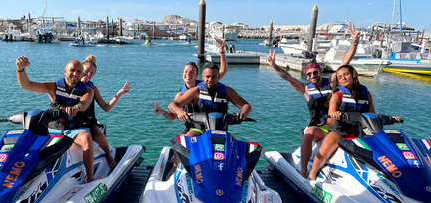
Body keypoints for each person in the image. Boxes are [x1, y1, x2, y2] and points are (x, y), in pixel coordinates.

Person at [267, 25, 361, 177]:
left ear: (320, 72)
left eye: (315, 73)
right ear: (307, 76)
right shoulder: (306, 89)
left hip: (335, 126)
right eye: (309, 74)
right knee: (308, 132)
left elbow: (344, 64)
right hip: (319, 129)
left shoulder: (331, 83)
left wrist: (354, 43)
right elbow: (287, 77)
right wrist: (274, 66)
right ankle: (304, 171)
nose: (312, 76)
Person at [307, 64, 400, 180]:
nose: (343, 78)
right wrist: (335, 116)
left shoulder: (366, 94)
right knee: (327, 146)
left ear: (353, 75)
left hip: (362, 130)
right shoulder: (337, 96)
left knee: (384, 143)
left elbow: (372, 115)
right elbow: (330, 120)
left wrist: (389, 120)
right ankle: (313, 172)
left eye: (346, 74)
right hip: (341, 130)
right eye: (340, 77)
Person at [15, 56, 99, 183]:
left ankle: (90, 177)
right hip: (54, 129)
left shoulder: (88, 90)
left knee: (87, 138)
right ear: (65, 71)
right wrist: (20, 69)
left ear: (82, 74)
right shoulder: (53, 87)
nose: (75, 74)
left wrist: (77, 107)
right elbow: (26, 85)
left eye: (78, 72)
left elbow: (85, 102)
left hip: (75, 129)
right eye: (72, 70)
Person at [151, 35, 228, 134]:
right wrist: (163, 112)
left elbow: (223, 70)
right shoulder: (180, 95)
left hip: (211, 125)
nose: (188, 74)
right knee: (181, 142)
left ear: (197, 75)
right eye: (186, 71)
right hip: (193, 126)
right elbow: (172, 117)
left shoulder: (207, 84)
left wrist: (222, 50)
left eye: (191, 72)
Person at [168, 63, 251, 136]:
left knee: (237, 148)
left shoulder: (227, 91)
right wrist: (180, 112)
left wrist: (243, 114)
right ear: (203, 77)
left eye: (214, 77)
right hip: (198, 129)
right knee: (185, 143)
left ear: (218, 77)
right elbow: (173, 105)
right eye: (207, 77)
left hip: (221, 131)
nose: (210, 80)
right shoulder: (195, 91)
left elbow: (246, 105)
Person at [81, 54, 131, 169]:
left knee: (101, 138)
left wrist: (118, 94)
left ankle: (109, 157)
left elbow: (106, 107)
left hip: (88, 121)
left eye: (92, 73)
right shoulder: (70, 85)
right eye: (86, 71)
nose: (88, 75)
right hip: (72, 121)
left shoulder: (92, 88)